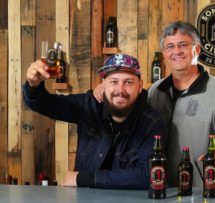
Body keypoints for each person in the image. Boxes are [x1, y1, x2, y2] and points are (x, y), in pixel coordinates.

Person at [94, 21, 215, 188]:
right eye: (170, 46)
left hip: (200, 192)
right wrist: (106, 89)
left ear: (197, 50)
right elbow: (125, 103)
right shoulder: (154, 91)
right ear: (164, 54)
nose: (176, 51)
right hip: (157, 189)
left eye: (183, 45)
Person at [23, 53, 166, 189]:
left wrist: (83, 178)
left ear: (140, 86)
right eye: (114, 82)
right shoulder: (88, 105)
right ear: (104, 84)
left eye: (128, 82)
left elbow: (149, 175)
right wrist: (33, 85)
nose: (120, 89)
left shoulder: (152, 122)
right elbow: (44, 104)